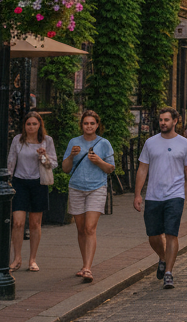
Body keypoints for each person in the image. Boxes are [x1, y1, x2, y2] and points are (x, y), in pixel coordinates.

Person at [134, 107, 187, 289]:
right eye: (161, 120)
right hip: (154, 195)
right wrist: (138, 194)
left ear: (175, 121)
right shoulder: (150, 143)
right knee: (153, 235)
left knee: (171, 233)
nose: (163, 123)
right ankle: (162, 257)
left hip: (175, 195)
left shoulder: (185, 144)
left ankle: (168, 273)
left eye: (166, 120)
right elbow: (142, 169)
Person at [62, 109, 115, 283]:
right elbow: (65, 168)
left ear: (97, 125)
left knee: (90, 228)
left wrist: (98, 161)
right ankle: (84, 264)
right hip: (77, 188)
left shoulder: (104, 143)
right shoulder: (74, 142)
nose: (89, 126)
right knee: (81, 229)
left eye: (92, 123)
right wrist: (71, 155)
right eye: (86, 123)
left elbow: (110, 169)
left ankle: (87, 268)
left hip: (96, 187)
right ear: (82, 125)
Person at [8, 111, 56, 271]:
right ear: (24, 125)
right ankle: (17, 258)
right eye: (28, 124)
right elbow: (11, 161)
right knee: (18, 222)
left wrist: (43, 156)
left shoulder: (46, 141)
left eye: (34, 124)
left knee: (35, 223)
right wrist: (7, 180)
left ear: (39, 125)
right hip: (19, 182)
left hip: (38, 182)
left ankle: (32, 259)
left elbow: (52, 164)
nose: (31, 127)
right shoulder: (18, 140)